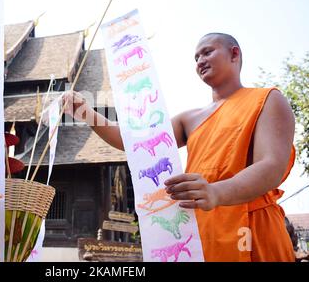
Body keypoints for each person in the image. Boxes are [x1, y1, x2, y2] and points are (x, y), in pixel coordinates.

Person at [62, 33, 296, 262]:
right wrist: (85, 112)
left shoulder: (267, 99)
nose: (200, 61)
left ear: (234, 53)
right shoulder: (191, 118)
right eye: (196, 57)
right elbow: (135, 142)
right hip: (203, 230)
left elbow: (271, 165)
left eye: (207, 52)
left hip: (253, 227)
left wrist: (216, 192)